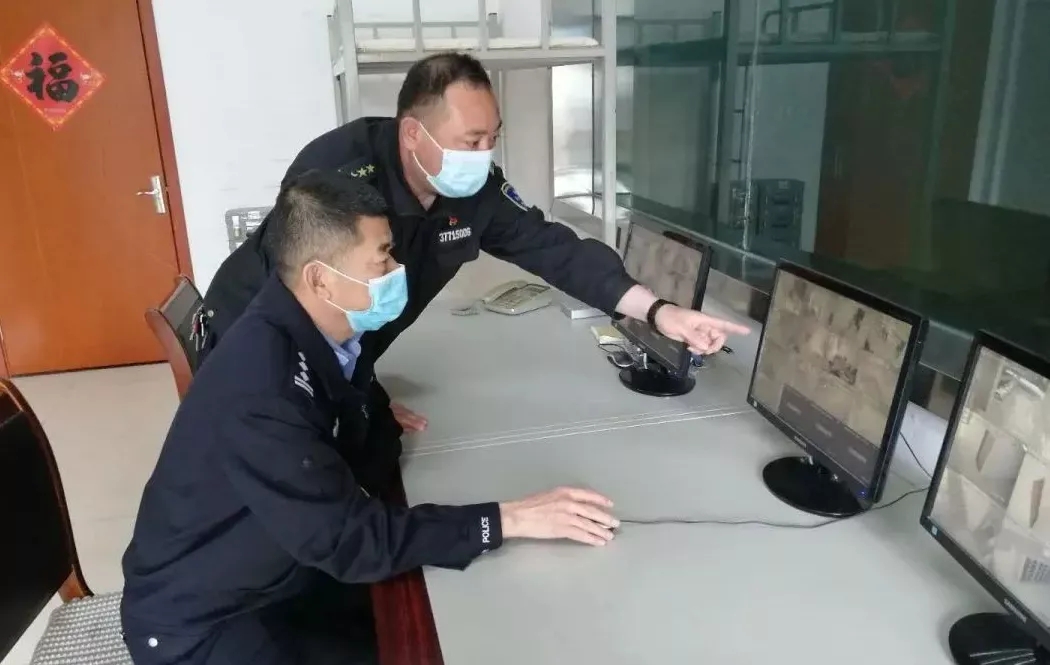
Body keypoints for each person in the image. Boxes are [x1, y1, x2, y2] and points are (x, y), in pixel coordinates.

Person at [120, 171, 620, 665]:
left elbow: (369, 445)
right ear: (320, 278)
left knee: (443, 613)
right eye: (382, 257)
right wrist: (506, 518)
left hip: (280, 572)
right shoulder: (263, 386)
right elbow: (349, 541)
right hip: (203, 625)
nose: (397, 269)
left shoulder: (320, 332)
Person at [200, 51, 749, 434]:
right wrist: (353, 403)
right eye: (470, 141)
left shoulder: (475, 190)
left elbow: (553, 249)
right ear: (412, 133)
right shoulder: (337, 174)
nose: (484, 155)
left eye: (492, 139)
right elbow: (309, 304)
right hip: (256, 347)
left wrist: (658, 311)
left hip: (340, 364)